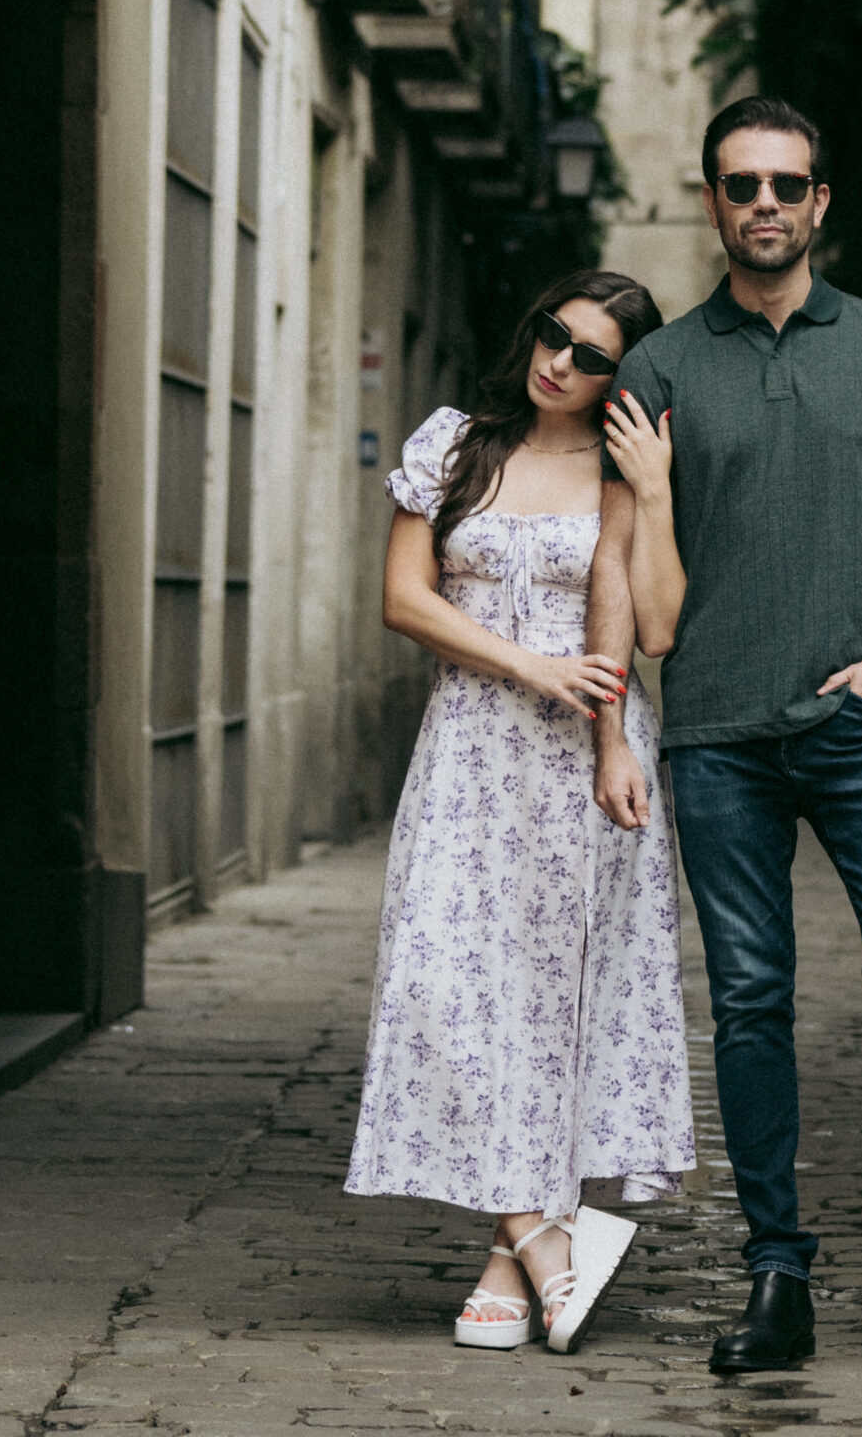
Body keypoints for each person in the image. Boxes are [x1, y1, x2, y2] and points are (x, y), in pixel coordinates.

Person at [590, 97, 862, 1382]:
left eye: (786, 182)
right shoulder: (659, 370)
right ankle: (778, 1273)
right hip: (716, 735)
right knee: (753, 1005)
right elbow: (626, 574)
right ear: (712, 202)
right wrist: (616, 723)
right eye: (739, 183)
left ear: (822, 201)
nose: (763, 202)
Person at [345, 270, 695, 1356]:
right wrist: (530, 665)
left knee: (560, 1003)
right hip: (470, 757)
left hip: (591, 765)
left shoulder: (624, 468)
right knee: (447, 987)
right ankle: (546, 1241)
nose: (561, 362)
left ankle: (507, 1259)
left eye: (593, 356)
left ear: (619, 378)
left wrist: (662, 489)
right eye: (555, 335)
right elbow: (405, 599)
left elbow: (662, 629)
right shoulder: (455, 444)